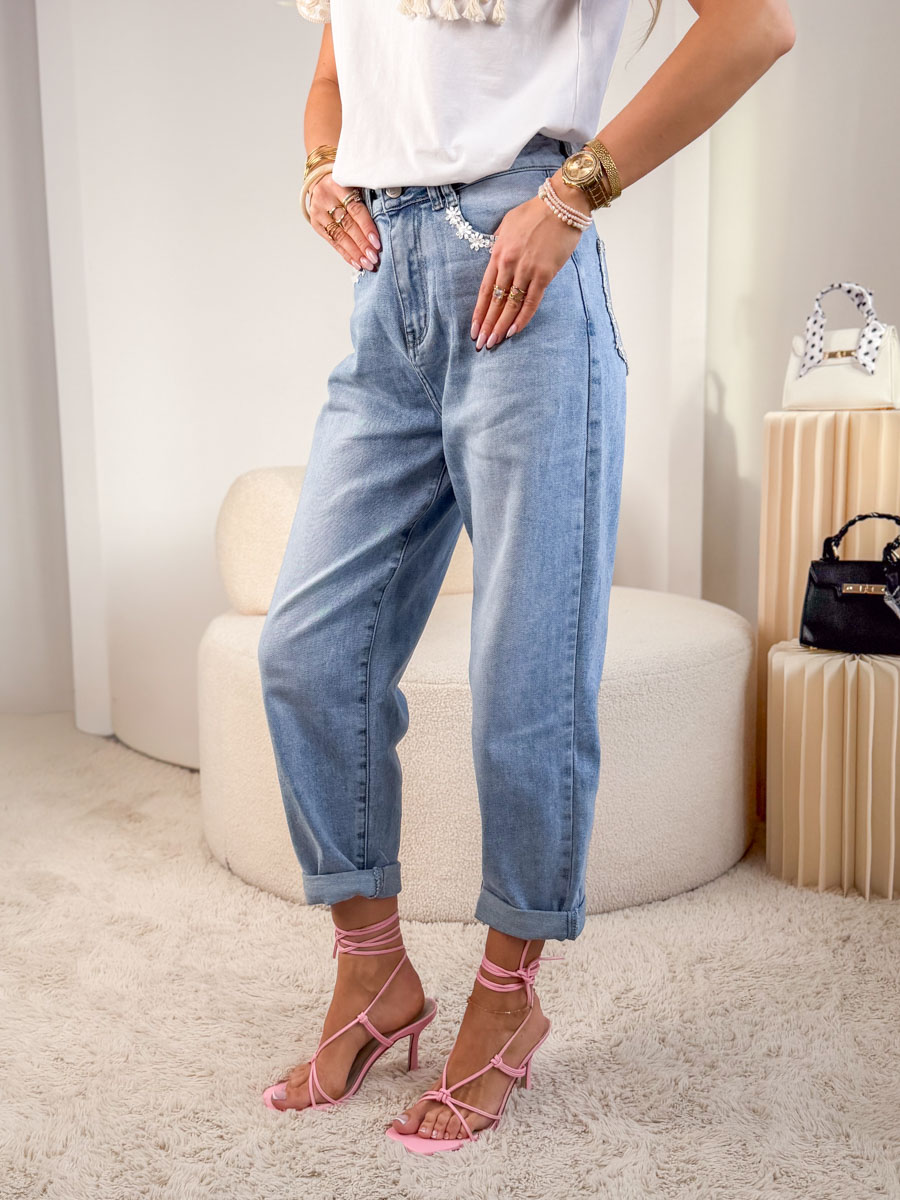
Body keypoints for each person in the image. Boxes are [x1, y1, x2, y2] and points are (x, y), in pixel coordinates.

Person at [257, 0, 795, 1154]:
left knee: (525, 682)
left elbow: (753, 27)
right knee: (305, 653)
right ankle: (373, 971)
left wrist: (570, 198)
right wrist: (319, 166)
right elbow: (334, 72)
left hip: (526, 272)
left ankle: (507, 997)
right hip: (386, 289)